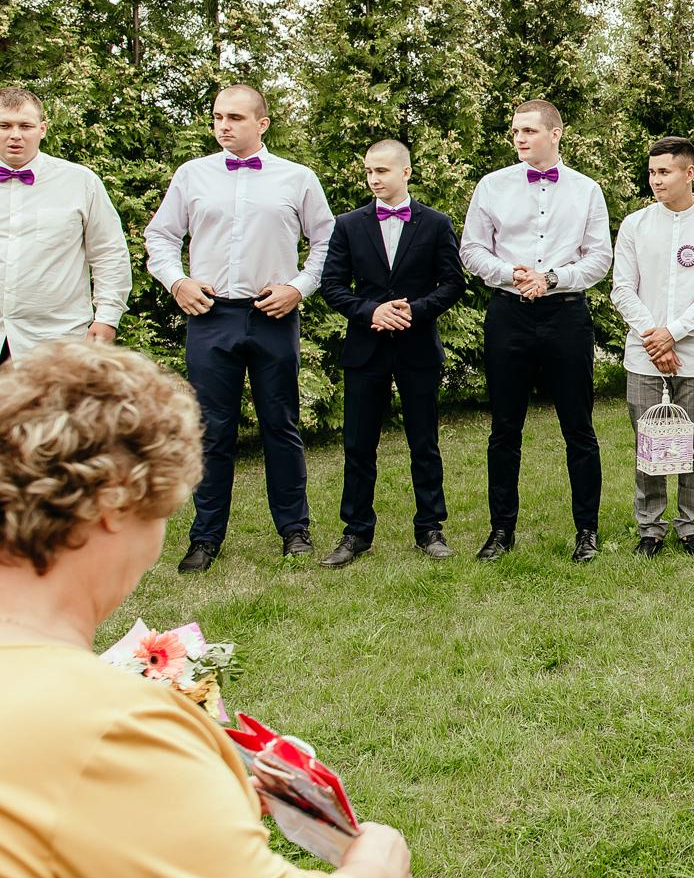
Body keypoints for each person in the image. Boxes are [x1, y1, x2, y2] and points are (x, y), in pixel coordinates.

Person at [0, 342, 416, 878]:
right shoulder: (107, 724)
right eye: (163, 507)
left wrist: (197, 796)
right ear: (114, 503)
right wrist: (372, 870)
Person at [143, 84, 334, 573]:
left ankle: (295, 530)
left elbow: (327, 241)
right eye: (216, 117)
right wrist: (177, 281)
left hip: (273, 314)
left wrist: (299, 287)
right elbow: (160, 236)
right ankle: (205, 537)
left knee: (281, 425)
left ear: (262, 123)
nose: (223, 126)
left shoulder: (297, 178)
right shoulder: (192, 175)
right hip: (210, 316)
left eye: (234, 117)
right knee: (211, 429)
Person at [461, 99, 612, 564]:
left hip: (565, 314)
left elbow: (598, 257)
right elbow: (471, 250)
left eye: (528, 130)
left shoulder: (587, 190)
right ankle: (501, 530)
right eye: (514, 132)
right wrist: (512, 274)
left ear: (555, 134)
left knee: (579, 428)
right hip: (508, 314)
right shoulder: (492, 186)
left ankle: (587, 530)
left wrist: (552, 279)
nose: (519, 139)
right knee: (504, 428)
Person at [317, 139, 467, 567]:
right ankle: (356, 532)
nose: (374, 179)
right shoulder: (348, 224)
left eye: (382, 171)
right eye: (368, 172)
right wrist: (372, 312)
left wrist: (414, 311)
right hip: (366, 348)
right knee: (358, 444)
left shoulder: (436, 223)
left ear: (406, 172)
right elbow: (332, 285)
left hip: (417, 346)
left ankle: (430, 528)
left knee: (425, 441)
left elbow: (452, 283)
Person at [611, 137, 694, 559]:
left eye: (664, 172)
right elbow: (622, 290)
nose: (655, 180)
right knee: (649, 443)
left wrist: (675, 333)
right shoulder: (635, 225)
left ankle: (690, 526)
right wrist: (654, 335)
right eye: (651, 172)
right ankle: (650, 528)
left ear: (689, 173)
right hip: (644, 353)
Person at [0, 86, 130, 361]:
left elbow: (109, 252)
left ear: (43, 129)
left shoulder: (81, 182)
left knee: (56, 406)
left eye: (25, 125)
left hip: (56, 339)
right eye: (4, 125)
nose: (15, 135)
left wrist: (107, 317)